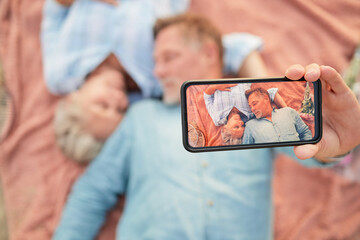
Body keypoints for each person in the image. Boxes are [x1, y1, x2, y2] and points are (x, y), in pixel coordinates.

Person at [53, 13, 360, 240]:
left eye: (169, 57)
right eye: (155, 61)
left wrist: (338, 144)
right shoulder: (141, 117)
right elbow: (92, 193)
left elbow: (310, 149)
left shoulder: (256, 107)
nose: (157, 71)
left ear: (209, 53)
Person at [42, 0, 266, 162]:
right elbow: (231, 49)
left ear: (73, 100)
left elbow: (53, 12)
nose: (118, 99)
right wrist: (271, 97)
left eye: (102, 105)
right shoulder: (158, 80)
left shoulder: (59, 74)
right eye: (120, 111)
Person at [204, 83, 287, 145]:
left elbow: (207, 97)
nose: (241, 123)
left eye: (236, 127)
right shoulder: (251, 111)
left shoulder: (217, 118)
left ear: (225, 129)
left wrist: (214, 87)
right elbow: (271, 93)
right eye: (243, 126)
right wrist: (288, 111)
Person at [242, 87, 312, 144]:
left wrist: (306, 149)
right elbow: (246, 151)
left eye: (254, 104)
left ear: (266, 98)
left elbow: (305, 132)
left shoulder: (288, 112)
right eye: (250, 106)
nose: (252, 109)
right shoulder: (250, 126)